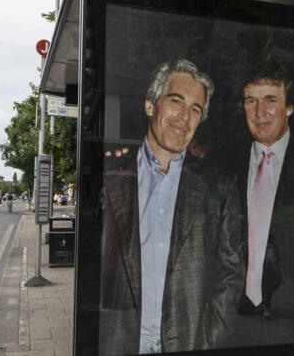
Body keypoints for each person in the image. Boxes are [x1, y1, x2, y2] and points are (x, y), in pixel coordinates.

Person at [99, 59, 244, 355]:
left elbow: (231, 276)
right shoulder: (111, 177)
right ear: (151, 105)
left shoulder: (220, 187)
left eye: (195, 109)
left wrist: (209, 342)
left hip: (187, 343)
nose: (185, 117)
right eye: (176, 101)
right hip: (119, 342)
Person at [232, 68, 294, 344]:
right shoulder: (231, 157)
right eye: (251, 101)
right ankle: (250, 300)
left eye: (271, 100)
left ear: (289, 108)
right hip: (244, 250)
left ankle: (265, 303)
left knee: (272, 270)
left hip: (276, 245)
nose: (259, 112)